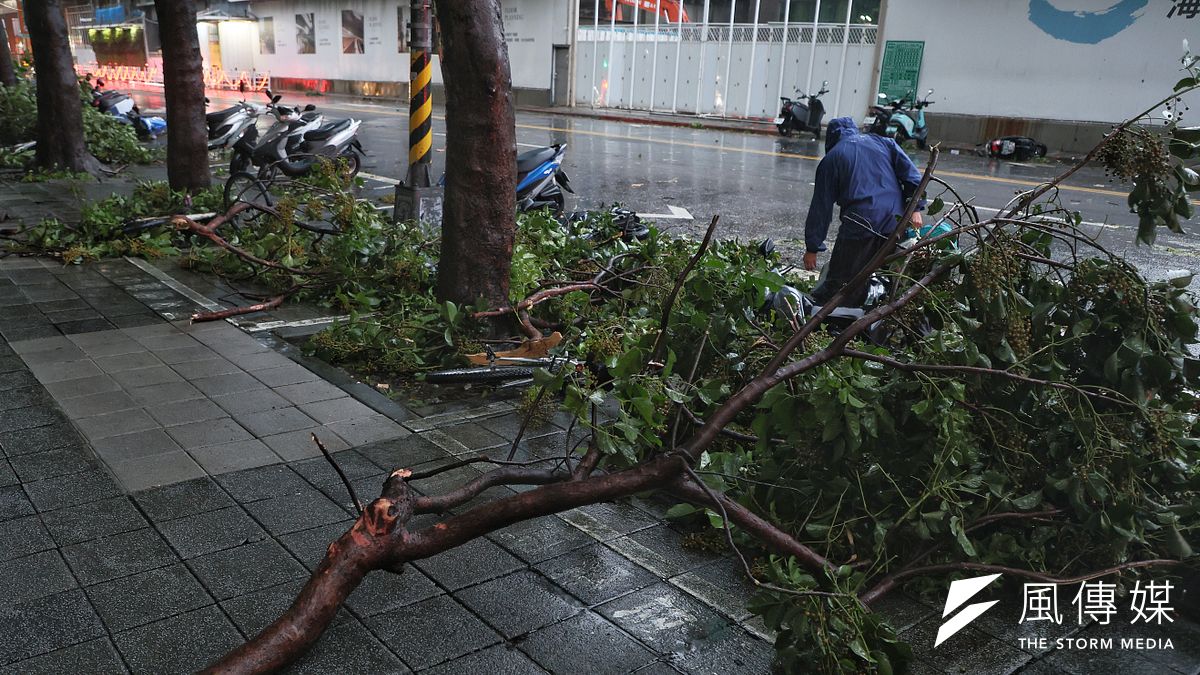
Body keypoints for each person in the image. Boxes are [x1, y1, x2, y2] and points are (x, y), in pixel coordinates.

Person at [803, 117, 925, 306]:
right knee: (884, 274)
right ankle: (881, 313)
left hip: (860, 225)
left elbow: (821, 208)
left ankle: (836, 323)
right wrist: (915, 208)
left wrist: (812, 247)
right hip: (895, 221)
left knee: (842, 282)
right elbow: (913, 176)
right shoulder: (883, 142)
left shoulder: (833, 158)